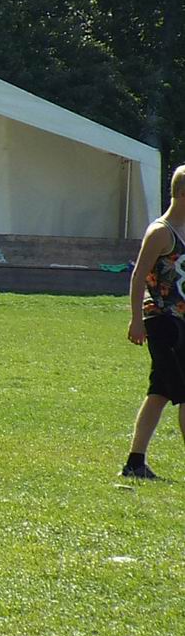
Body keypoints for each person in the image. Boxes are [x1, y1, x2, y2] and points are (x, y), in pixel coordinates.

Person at [123, 163, 185, 478]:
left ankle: (135, 463)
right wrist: (136, 320)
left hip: (181, 320)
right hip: (163, 321)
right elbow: (138, 277)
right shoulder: (161, 232)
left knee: (159, 392)